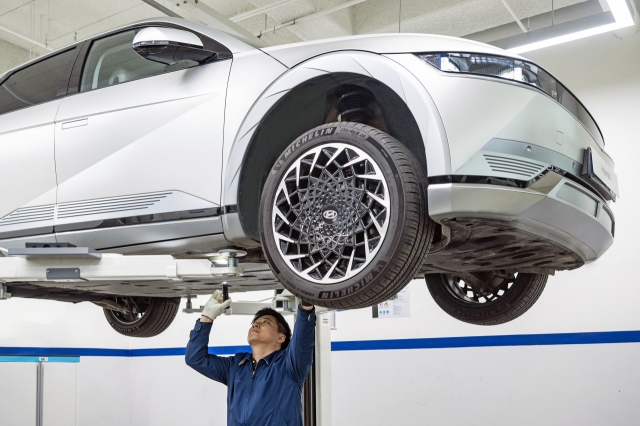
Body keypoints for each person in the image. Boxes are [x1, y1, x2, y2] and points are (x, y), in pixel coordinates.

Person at [185, 290, 316, 426]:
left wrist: (306, 304)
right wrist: (206, 317)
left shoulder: (289, 366)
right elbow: (195, 358)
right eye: (255, 322)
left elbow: (303, 339)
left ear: (281, 337)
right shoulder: (235, 366)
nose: (256, 324)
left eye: (266, 322)